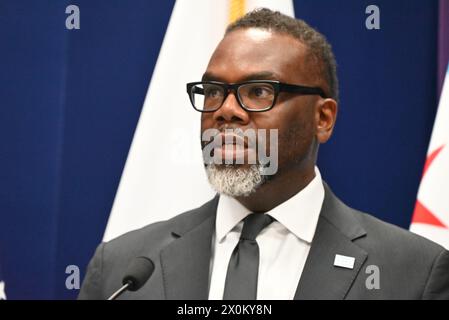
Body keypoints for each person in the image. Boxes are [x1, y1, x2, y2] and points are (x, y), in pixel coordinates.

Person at [79, 8, 449, 300]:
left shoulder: (412, 273)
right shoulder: (122, 269)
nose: (226, 110)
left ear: (323, 118)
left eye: (258, 91)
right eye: (212, 91)